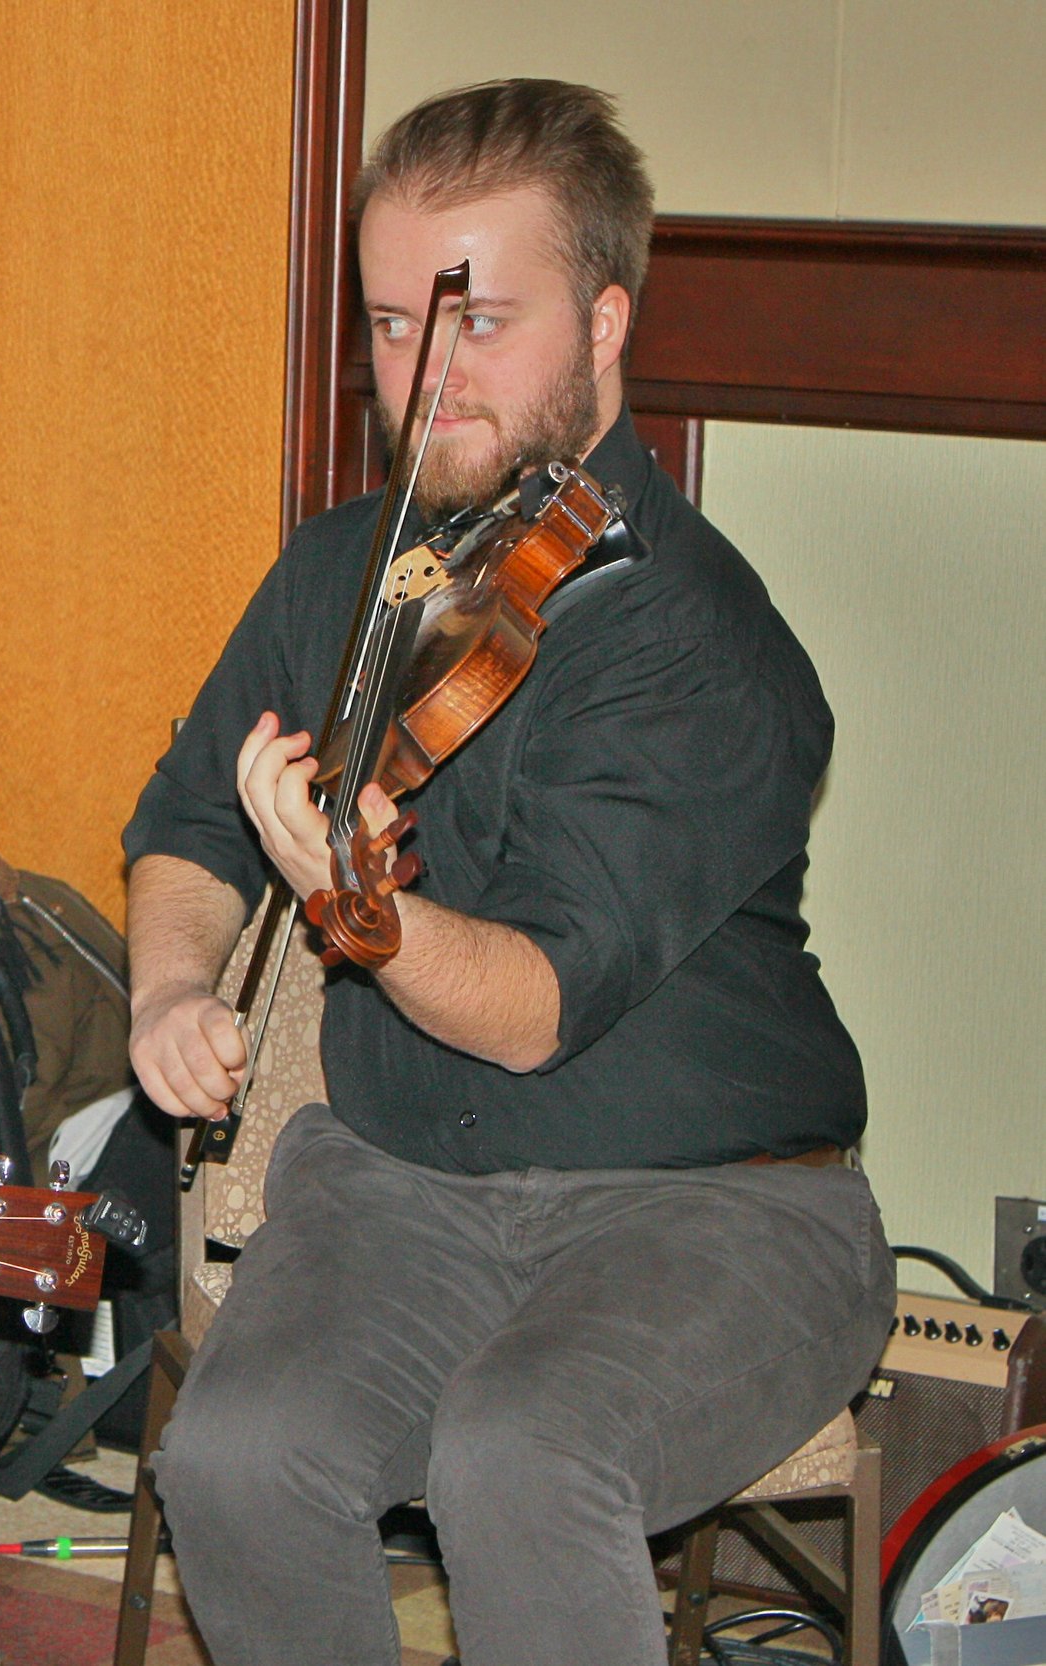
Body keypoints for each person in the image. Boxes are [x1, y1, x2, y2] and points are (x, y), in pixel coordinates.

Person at [122, 82, 891, 1666]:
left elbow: (533, 1005)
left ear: (606, 321)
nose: (429, 375)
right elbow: (189, 826)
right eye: (393, 324)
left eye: (479, 320)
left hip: (719, 1209)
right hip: (402, 1187)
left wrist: (361, 911)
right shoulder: (342, 569)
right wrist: (170, 988)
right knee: (238, 1458)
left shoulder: (703, 645)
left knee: (522, 1455)